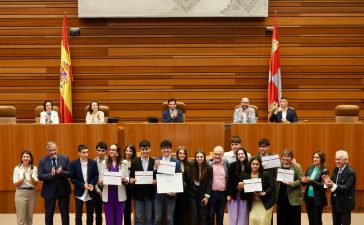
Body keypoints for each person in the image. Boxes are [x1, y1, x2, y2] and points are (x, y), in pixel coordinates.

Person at [38, 141, 71, 225]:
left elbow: (70, 173)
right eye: (50, 150)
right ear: (47, 151)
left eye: (54, 150)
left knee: (65, 214)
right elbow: (40, 176)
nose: (52, 152)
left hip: (63, 190)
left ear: (57, 148)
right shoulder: (42, 160)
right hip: (49, 191)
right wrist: (50, 175)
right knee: (49, 215)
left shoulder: (65, 158)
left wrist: (61, 172)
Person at [322, 150, 356, 225]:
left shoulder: (350, 172)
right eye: (336, 159)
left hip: (345, 204)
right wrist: (327, 182)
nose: (337, 161)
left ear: (345, 160)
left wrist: (332, 184)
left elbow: (347, 187)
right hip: (335, 202)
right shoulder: (336, 169)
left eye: (339, 159)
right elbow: (334, 182)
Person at [99, 143, 129, 225]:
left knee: (119, 219)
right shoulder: (104, 162)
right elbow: (101, 177)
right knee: (109, 220)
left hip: (119, 194)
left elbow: (127, 177)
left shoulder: (124, 162)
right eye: (110, 149)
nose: (111, 151)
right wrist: (101, 181)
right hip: (108, 195)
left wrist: (125, 179)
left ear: (117, 152)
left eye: (114, 150)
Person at [153, 140, 182, 225]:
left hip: (171, 194)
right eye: (164, 148)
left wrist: (175, 192)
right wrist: (155, 166)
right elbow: (153, 175)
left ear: (171, 149)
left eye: (168, 148)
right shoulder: (157, 160)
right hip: (158, 194)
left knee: (170, 218)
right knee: (157, 218)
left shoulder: (176, 163)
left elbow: (178, 179)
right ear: (161, 150)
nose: (166, 150)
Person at [69, 144, 99, 225]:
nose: (86, 154)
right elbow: (72, 178)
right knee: (78, 215)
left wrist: (92, 184)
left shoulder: (93, 163)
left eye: (87, 152)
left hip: (91, 192)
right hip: (79, 192)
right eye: (83, 152)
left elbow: (96, 176)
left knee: (90, 215)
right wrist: (83, 185)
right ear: (79, 153)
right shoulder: (73, 163)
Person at [129, 140, 156, 225]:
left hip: (150, 193)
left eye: (146, 149)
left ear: (150, 149)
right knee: (138, 217)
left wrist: (156, 181)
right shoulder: (134, 162)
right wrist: (131, 180)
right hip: (138, 194)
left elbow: (156, 176)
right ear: (140, 150)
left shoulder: (154, 162)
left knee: (149, 217)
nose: (145, 151)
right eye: (143, 149)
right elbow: (131, 176)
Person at [275, 149, 303, 225]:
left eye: (288, 156)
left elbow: (301, 180)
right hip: (281, 197)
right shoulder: (278, 165)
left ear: (291, 157)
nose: (285, 158)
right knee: (281, 219)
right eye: (284, 156)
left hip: (293, 197)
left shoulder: (296, 166)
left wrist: (291, 183)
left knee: (294, 219)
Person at [301, 151, 329, 225]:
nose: (315, 159)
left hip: (318, 198)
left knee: (317, 218)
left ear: (321, 159)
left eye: (317, 157)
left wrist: (311, 181)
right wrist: (303, 181)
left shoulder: (324, 170)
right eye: (314, 157)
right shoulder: (310, 168)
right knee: (310, 218)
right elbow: (305, 182)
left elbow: (323, 186)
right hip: (308, 197)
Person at [186, 150, 213, 225]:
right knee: (193, 214)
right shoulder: (190, 164)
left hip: (203, 193)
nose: (199, 158)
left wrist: (207, 196)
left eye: (201, 157)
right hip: (192, 193)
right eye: (197, 157)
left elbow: (209, 183)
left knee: (203, 215)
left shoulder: (209, 168)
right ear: (195, 158)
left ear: (204, 158)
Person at [13, 150, 39, 225]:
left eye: (27, 157)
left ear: (30, 158)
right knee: (21, 218)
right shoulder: (17, 169)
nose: (25, 158)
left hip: (31, 193)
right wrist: (22, 179)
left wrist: (31, 177)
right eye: (24, 157)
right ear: (21, 158)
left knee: (29, 217)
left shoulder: (34, 168)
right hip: (20, 193)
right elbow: (16, 184)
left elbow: (36, 183)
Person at [247, 157, 275, 225]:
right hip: (254, 202)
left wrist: (264, 193)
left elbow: (271, 187)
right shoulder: (246, 175)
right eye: (253, 164)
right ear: (250, 164)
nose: (255, 166)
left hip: (266, 201)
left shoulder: (265, 174)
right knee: (253, 219)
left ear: (260, 165)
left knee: (263, 221)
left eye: (257, 164)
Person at [226, 148, 249, 225]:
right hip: (233, 194)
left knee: (243, 216)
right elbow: (229, 181)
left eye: (242, 153)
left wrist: (244, 185)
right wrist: (229, 194)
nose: (240, 155)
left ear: (245, 154)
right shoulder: (232, 165)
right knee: (233, 216)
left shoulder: (250, 165)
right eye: (238, 154)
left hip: (245, 194)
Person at [208, 146, 229, 225]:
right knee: (210, 215)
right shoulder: (208, 163)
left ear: (222, 155)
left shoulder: (226, 163)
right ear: (213, 154)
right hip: (211, 193)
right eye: (215, 154)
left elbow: (228, 178)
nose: (217, 156)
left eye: (219, 154)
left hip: (223, 194)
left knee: (220, 215)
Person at [174, 146, 190, 225]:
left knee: (183, 213)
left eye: (184, 153)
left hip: (185, 193)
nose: (182, 155)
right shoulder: (173, 163)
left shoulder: (188, 164)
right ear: (177, 154)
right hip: (175, 192)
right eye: (180, 153)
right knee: (175, 212)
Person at [94, 141, 108, 225]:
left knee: (109, 212)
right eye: (99, 150)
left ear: (106, 151)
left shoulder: (109, 161)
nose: (101, 152)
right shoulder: (92, 162)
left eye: (103, 150)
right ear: (96, 150)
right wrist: (98, 190)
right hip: (97, 188)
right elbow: (92, 178)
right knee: (98, 212)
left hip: (108, 188)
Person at [123, 144, 137, 225]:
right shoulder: (121, 161)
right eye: (127, 150)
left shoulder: (136, 161)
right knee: (127, 208)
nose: (128, 152)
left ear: (133, 152)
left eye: (130, 151)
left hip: (135, 187)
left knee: (137, 208)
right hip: (125, 187)